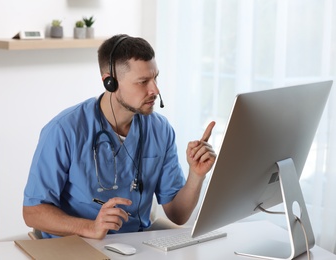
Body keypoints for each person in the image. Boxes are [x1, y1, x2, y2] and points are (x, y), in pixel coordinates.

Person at [23, 34, 216, 240]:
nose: (155, 90)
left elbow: (178, 214)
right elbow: (33, 212)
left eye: (155, 78)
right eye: (143, 82)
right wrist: (91, 228)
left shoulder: (160, 129)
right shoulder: (64, 130)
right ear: (110, 83)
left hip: (136, 246)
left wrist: (196, 175)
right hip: (77, 244)